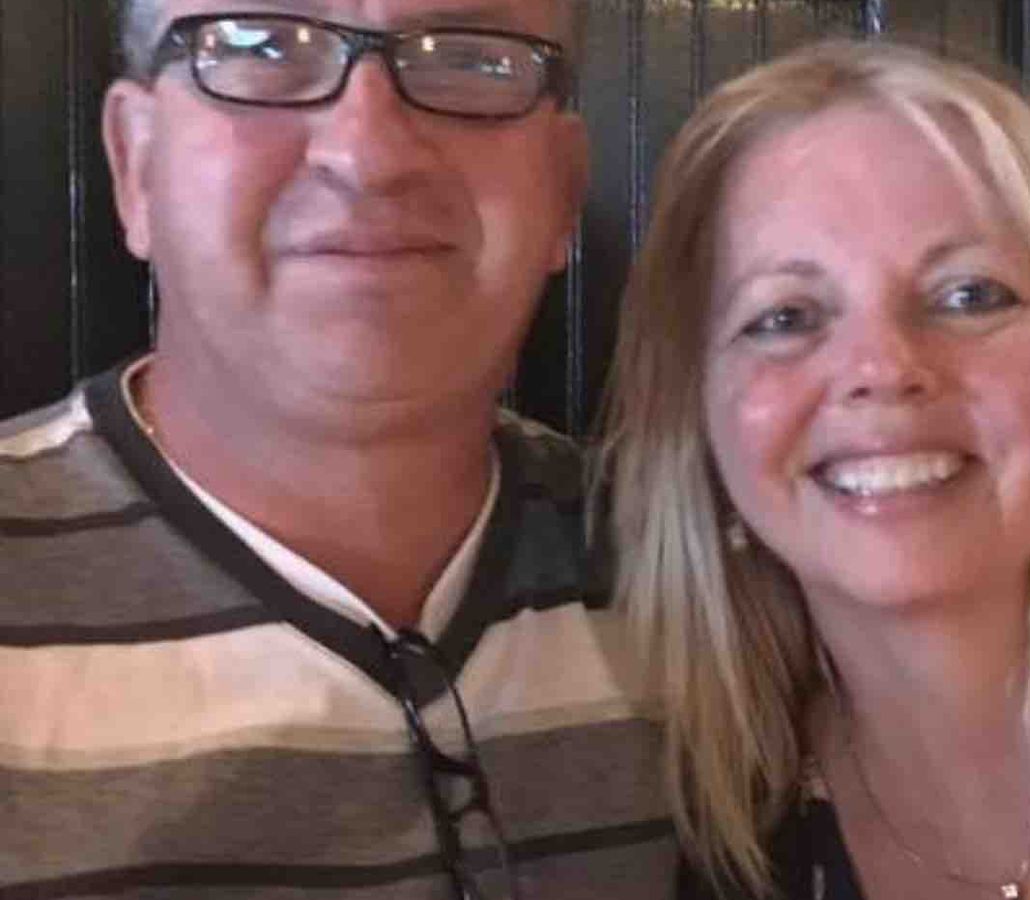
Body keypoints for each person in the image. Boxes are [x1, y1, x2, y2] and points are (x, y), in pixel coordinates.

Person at [0, 1, 673, 897]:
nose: (369, 153)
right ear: (136, 165)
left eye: (469, 59)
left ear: (561, 188)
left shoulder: (704, 586)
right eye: (261, 46)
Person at [601, 40, 1030, 900]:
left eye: (969, 295)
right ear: (694, 414)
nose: (883, 368)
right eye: (786, 317)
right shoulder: (708, 861)